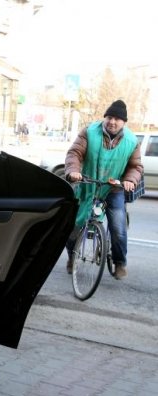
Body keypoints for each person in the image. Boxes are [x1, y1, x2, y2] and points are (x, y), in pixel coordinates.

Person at [64, 99, 143, 279]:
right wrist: (73, 170)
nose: (112, 122)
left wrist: (130, 180)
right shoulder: (89, 132)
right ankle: (72, 257)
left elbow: (135, 166)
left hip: (113, 188)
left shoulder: (132, 140)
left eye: (117, 119)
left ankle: (119, 262)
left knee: (118, 227)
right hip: (88, 185)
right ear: (104, 118)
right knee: (74, 226)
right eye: (109, 117)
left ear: (124, 122)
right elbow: (75, 153)